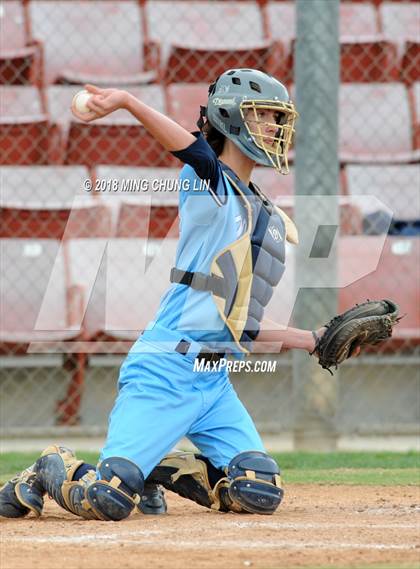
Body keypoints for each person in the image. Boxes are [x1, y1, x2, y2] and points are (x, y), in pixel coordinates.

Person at [0, 68, 359, 522]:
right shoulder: (207, 181)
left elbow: (237, 319)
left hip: (213, 379)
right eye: (264, 116)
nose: (276, 128)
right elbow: (188, 148)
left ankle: (160, 468)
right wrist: (128, 101)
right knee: (107, 501)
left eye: (277, 118)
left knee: (259, 490)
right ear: (230, 119)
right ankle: (54, 465)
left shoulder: (257, 209)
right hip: (165, 370)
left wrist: (312, 338)